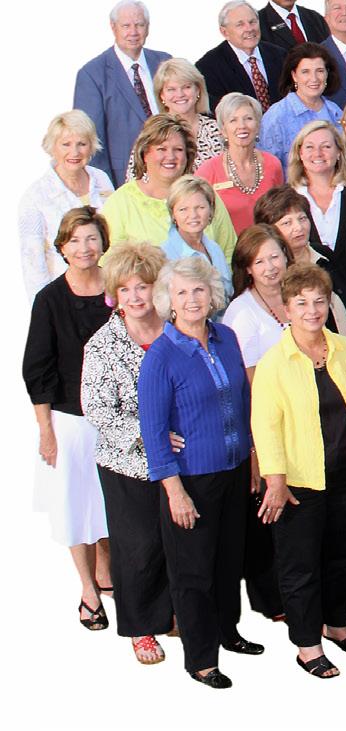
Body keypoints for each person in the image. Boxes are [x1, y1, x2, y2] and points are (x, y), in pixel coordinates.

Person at [141, 255, 261, 687]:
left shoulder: (227, 337)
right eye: (182, 292)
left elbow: (244, 402)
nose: (192, 299)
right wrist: (174, 491)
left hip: (235, 469)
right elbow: (153, 431)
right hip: (191, 479)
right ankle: (201, 658)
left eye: (199, 289)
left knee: (229, 561)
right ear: (168, 301)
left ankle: (228, 632)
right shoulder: (161, 356)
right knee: (193, 572)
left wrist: (254, 460)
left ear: (212, 294)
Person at [248, 263, 346, 680]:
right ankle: (307, 644)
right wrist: (275, 481)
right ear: (286, 310)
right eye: (301, 303)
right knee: (301, 565)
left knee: (345, 555)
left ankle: (337, 625)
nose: (312, 311)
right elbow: (265, 425)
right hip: (299, 482)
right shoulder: (274, 363)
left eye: (319, 301)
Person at [81, 243, 173, 664]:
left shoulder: (176, 330)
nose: (135, 296)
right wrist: (152, 435)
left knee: (177, 540)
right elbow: (97, 409)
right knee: (139, 547)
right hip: (128, 463)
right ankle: (141, 628)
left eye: (143, 286)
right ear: (114, 294)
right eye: (126, 289)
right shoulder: (102, 345)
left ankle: (172, 614)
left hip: (181, 458)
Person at [23, 207, 113, 634]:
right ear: (61, 247)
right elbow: (36, 368)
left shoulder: (118, 290)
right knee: (75, 506)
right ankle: (88, 590)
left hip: (116, 417)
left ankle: (108, 572)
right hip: (69, 420)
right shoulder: (49, 299)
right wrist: (46, 431)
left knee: (112, 503)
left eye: (91, 238)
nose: (84, 248)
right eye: (74, 240)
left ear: (103, 243)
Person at [100, 116, 238, 255]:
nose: (171, 156)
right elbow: (109, 260)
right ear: (145, 153)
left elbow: (229, 252)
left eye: (178, 149)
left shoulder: (205, 195)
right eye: (162, 149)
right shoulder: (121, 202)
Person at [75, 0, 172, 184]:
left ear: (148, 27)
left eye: (139, 25)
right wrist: (104, 188)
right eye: (126, 26)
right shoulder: (92, 74)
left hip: (173, 170)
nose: (133, 32)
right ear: (113, 27)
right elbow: (90, 139)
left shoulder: (165, 62)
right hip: (125, 179)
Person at [19, 112, 114, 294]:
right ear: (52, 147)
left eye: (82, 144)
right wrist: (45, 304)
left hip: (106, 287)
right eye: (66, 144)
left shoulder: (101, 179)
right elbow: (32, 263)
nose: (75, 152)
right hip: (64, 294)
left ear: (91, 146)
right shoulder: (35, 197)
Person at [284, 121, 346, 310]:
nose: (318, 153)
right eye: (310, 147)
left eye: (326, 146)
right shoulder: (285, 201)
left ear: (339, 152)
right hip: (306, 304)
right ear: (300, 153)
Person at [193, 94, 283, 234]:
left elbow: (281, 211)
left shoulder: (273, 164)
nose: (242, 126)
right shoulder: (207, 172)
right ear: (223, 130)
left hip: (270, 244)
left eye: (248, 119)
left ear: (258, 126)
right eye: (233, 120)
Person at [259, 42, 345, 167]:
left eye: (320, 71)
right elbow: (267, 167)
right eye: (305, 72)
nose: (314, 78)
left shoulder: (335, 111)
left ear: (327, 73)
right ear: (294, 75)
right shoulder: (276, 116)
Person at [195, 0, 288, 112]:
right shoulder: (208, 67)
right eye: (240, 24)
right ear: (224, 32)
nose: (249, 29)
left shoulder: (280, 55)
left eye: (252, 22)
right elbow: (217, 112)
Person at [161, 176, 232, 292]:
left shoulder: (215, 249)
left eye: (200, 207)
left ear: (211, 210)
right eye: (183, 209)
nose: (193, 215)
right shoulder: (165, 256)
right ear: (173, 214)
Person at [153, 57, 220, 170]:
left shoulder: (218, 130)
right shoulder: (152, 133)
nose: (180, 94)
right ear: (162, 95)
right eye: (171, 89)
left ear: (198, 90)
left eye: (186, 87)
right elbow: (136, 175)